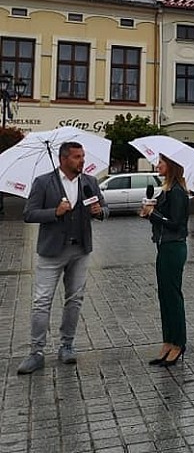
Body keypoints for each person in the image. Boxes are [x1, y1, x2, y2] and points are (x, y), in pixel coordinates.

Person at [17, 141, 108, 374]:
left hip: (80, 250)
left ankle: (67, 345)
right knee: (42, 301)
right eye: (77, 157)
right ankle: (36, 352)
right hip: (51, 251)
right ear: (63, 159)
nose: (82, 161)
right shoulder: (44, 182)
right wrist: (54, 212)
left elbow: (104, 210)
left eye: (83, 156)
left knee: (75, 300)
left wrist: (100, 212)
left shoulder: (90, 182)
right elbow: (29, 214)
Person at [140, 153, 190, 367]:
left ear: (171, 166)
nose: (157, 165)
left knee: (173, 296)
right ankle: (168, 341)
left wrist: (153, 215)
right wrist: (150, 213)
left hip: (174, 247)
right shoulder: (166, 190)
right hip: (163, 246)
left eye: (161, 162)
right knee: (164, 296)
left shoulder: (178, 192)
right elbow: (162, 219)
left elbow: (176, 223)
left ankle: (179, 343)